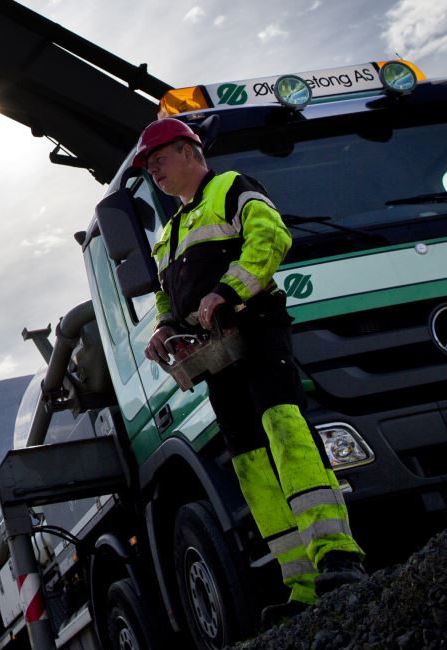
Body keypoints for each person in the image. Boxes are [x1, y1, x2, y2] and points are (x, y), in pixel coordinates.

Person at [134, 116, 368, 623]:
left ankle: (338, 555)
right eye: (149, 168)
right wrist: (162, 329)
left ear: (189, 151)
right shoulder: (169, 232)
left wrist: (229, 291)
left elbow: (270, 236)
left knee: (285, 429)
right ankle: (302, 582)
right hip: (217, 356)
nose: (154, 172)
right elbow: (164, 296)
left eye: (159, 160)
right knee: (249, 463)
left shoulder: (233, 187)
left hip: (258, 331)